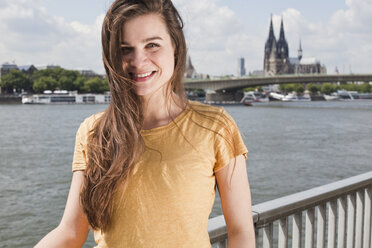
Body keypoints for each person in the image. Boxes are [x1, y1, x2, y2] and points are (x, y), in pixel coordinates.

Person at [35, 0, 255, 247]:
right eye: (125, 48)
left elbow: (240, 231)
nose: (138, 61)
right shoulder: (93, 132)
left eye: (152, 45)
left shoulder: (216, 127)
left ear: (175, 48)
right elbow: (70, 232)